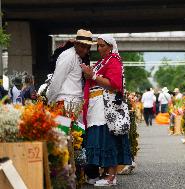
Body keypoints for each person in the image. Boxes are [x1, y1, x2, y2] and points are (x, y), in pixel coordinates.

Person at [80, 34, 132, 186]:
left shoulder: (114, 60)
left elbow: (114, 84)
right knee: (98, 140)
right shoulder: (101, 62)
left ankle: (111, 177)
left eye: (102, 45)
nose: (99, 48)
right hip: (96, 107)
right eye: (98, 45)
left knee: (108, 140)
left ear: (111, 47)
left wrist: (93, 75)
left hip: (106, 107)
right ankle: (103, 173)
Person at [46, 29, 95, 105]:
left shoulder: (78, 57)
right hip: (66, 102)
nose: (85, 51)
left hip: (74, 102)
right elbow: (56, 81)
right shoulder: (68, 56)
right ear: (75, 44)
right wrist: (50, 102)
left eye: (88, 48)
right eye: (83, 47)